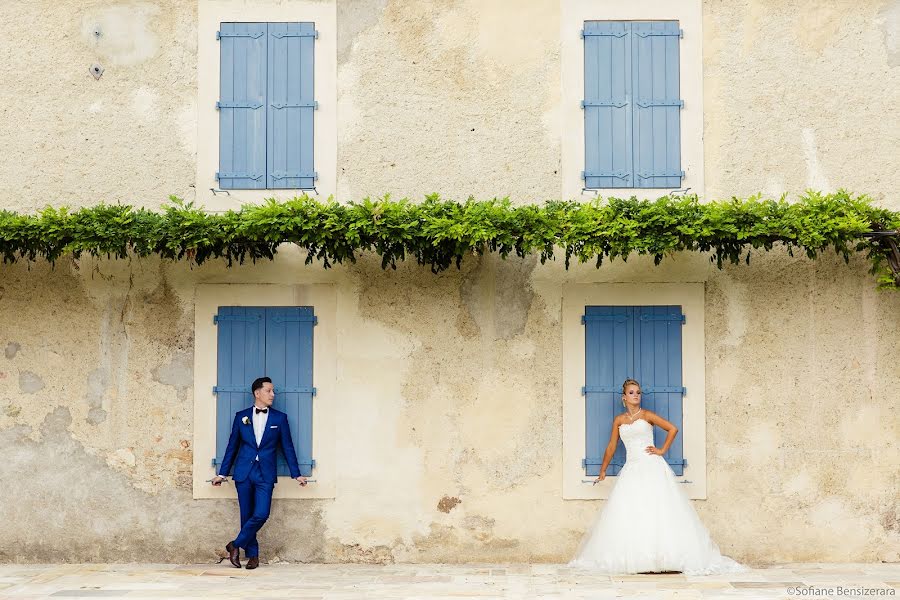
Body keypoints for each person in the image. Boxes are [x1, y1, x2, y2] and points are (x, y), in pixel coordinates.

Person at [569, 378, 747, 575]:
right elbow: (612, 446)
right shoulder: (619, 420)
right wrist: (602, 470)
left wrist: (662, 450)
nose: (636, 395)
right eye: (631, 392)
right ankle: (639, 558)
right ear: (624, 397)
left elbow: (673, 429)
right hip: (632, 469)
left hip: (652, 466)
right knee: (634, 512)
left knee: (657, 509)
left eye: (638, 392)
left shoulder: (647, 415)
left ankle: (665, 558)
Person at [212, 377, 308, 569]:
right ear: (258, 393)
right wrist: (222, 474)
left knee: (262, 513)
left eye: (273, 391)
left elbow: (287, 447)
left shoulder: (280, 418)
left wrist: (296, 474)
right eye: (269, 391)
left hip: (265, 473)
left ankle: (235, 545)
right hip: (244, 473)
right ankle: (253, 556)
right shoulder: (242, 416)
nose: (273, 395)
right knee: (246, 515)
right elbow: (232, 446)